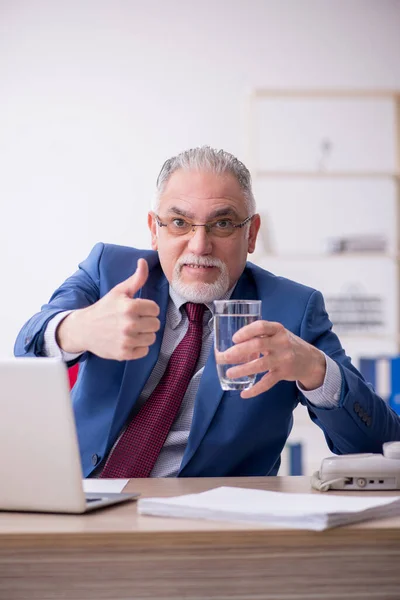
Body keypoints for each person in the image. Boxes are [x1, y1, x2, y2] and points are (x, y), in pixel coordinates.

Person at [15, 146, 400, 478]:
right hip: (82, 498)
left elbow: (381, 444)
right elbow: (27, 344)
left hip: (210, 528)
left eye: (223, 223)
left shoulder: (294, 309)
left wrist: (316, 370)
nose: (200, 246)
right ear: (154, 228)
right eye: (179, 222)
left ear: (251, 234)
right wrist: (77, 328)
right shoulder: (109, 271)